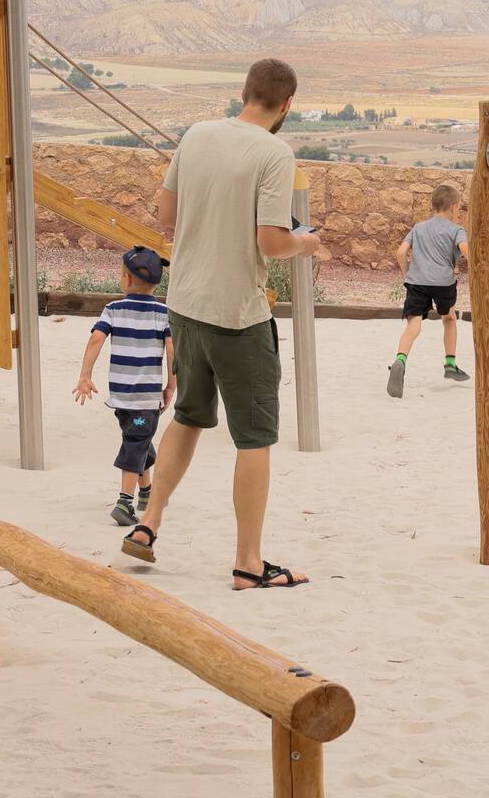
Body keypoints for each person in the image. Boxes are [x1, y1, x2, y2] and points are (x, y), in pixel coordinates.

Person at [121, 59, 325, 590]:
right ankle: (249, 563)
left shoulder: (197, 135)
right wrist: (307, 242)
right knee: (254, 438)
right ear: (286, 105)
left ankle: (148, 523)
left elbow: (165, 215)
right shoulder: (275, 153)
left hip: (185, 303)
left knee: (188, 416)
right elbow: (272, 242)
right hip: (238, 314)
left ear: (245, 93)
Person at [73, 247, 175, 526]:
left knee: (138, 439)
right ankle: (124, 502)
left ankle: (146, 492)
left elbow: (96, 339)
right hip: (146, 397)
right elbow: (172, 350)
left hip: (120, 396)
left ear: (126, 279)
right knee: (136, 441)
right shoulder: (163, 313)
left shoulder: (113, 309)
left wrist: (85, 374)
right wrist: (171, 385)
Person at [386, 184, 471, 398]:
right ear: (453, 207)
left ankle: (400, 360)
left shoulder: (418, 227)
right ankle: (450, 364)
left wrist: (408, 274)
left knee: (413, 325)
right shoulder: (456, 230)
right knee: (449, 318)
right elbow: (466, 251)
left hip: (417, 282)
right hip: (443, 283)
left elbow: (401, 252)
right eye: (458, 208)